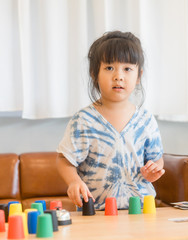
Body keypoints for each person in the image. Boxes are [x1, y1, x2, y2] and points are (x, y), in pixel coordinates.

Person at [56, 31, 165, 210]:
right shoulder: (84, 120)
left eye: (127, 69)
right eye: (109, 68)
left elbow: (157, 158)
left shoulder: (146, 120)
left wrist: (154, 170)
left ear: (138, 76)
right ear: (94, 73)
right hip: (96, 212)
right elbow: (64, 159)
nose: (118, 76)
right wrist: (73, 182)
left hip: (141, 211)